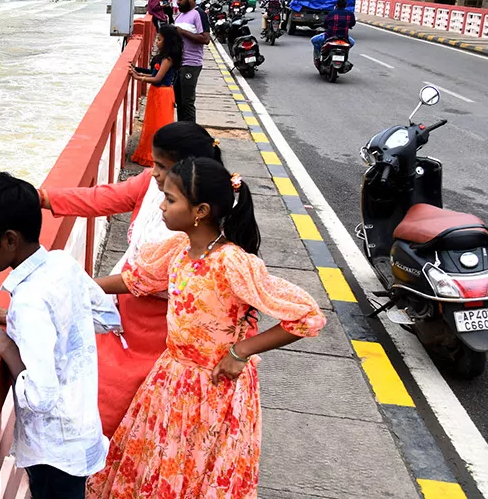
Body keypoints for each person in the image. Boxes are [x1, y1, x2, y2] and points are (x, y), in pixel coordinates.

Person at [87, 157, 326, 499]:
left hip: (215, 389)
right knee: (158, 471)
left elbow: (307, 316)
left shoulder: (232, 263)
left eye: (170, 200)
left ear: (199, 211)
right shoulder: (179, 251)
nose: (162, 206)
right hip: (170, 382)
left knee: (198, 475)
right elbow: (134, 279)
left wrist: (241, 351)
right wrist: (73, 287)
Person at [33, 122, 222, 438]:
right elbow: (102, 199)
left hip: (161, 330)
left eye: (162, 166)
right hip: (124, 313)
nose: (154, 172)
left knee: (124, 409)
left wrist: (76, 287)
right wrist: (42, 197)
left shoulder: (200, 233)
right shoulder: (154, 185)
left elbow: (144, 278)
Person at [0, 173, 107, 499]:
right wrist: (13, 318)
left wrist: (7, 346)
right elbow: (105, 315)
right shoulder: (61, 263)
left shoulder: (28, 300)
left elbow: (40, 396)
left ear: (10, 240)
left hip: (53, 449)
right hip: (81, 429)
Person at [128, 25, 183, 167]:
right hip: (156, 93)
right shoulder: (162, 57)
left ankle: (157, 156)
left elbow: (158, 79)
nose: (157, 41)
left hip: (163, 94)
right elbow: (153, 74)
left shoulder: (168, 59)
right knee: (152, 123)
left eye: (159, 39)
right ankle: (149, 153)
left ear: (167, 41)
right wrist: (138, 72)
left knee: (159, 125)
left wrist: (138, 77)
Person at [171, 0, 210, 123]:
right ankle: (181, 130)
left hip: (191, 64)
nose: (178, 2)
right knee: (179, 101)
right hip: (178, 64)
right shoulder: (180, 16)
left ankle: (190, 134)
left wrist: (182, 32)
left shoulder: (198, 14)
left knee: (187, 102)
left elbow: (206, 39)